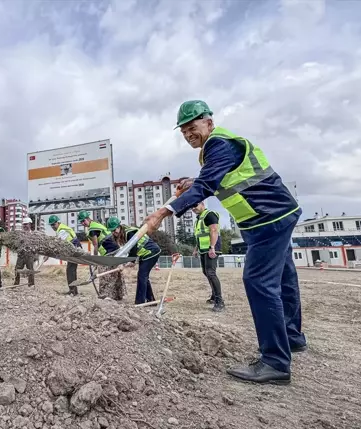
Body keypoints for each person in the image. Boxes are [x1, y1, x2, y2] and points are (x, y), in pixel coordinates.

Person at [143, 100, 306, 385]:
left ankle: (275, 362)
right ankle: (292, 338)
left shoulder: (219, 144)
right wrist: (195, 181)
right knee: (284, 277)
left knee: (259, 282)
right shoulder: (216, 149)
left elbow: (208, 186)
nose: (188, 134)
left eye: (192, 127)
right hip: (275, 214)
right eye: (183, 131)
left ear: (208, 121)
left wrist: (163, 211)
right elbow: (216, 179)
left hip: (267, 219)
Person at [106, 216, 161, 304]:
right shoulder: (121, 235)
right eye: (111, 230)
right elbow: (125, 251)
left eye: (114, 230)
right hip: (144, 254)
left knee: (142, 276)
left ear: (119, 226)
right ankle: (151, 300)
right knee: (144, 277)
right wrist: (122, 263)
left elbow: (133, 248)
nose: (113, 232)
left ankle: (140, 302)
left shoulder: (129, 232)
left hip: (151, 252)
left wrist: (131, 261)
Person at [192, 201, 224, 311]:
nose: (193, 208)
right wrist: (196, 249)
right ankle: (214, 296)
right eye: (191, 207)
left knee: (211, 272)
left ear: (202, 204)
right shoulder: (199, 219)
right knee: (206, 272)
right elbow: (200, 235)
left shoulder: (209, 215)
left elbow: (213, 230)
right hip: (203, 249)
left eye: (195, 205)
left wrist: (212, 247)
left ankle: (220, 301)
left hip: (212, 248)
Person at [48, 215, 81, 296]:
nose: (52, 226)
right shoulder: (60, 229)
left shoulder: (62, 230)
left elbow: (58, 244)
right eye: (51, 225)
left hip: (75, 250)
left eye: (53, 224)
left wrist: (49, 253)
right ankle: (73, 290)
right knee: (71, 271)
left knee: (71, 271)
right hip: (73, 250)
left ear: (58, 222)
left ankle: (73, 291)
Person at [13, 217, 36, 287]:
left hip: (30, 254)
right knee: (17, 269)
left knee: (30, 269)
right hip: (21, 254)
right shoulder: (21, 234)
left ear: (30, 224)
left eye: (26, 224)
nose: (25, 226)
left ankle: (31, 284)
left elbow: (36, 245)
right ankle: (16, 283)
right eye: (24, 224)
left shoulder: (34, 235)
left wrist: (35, 255)